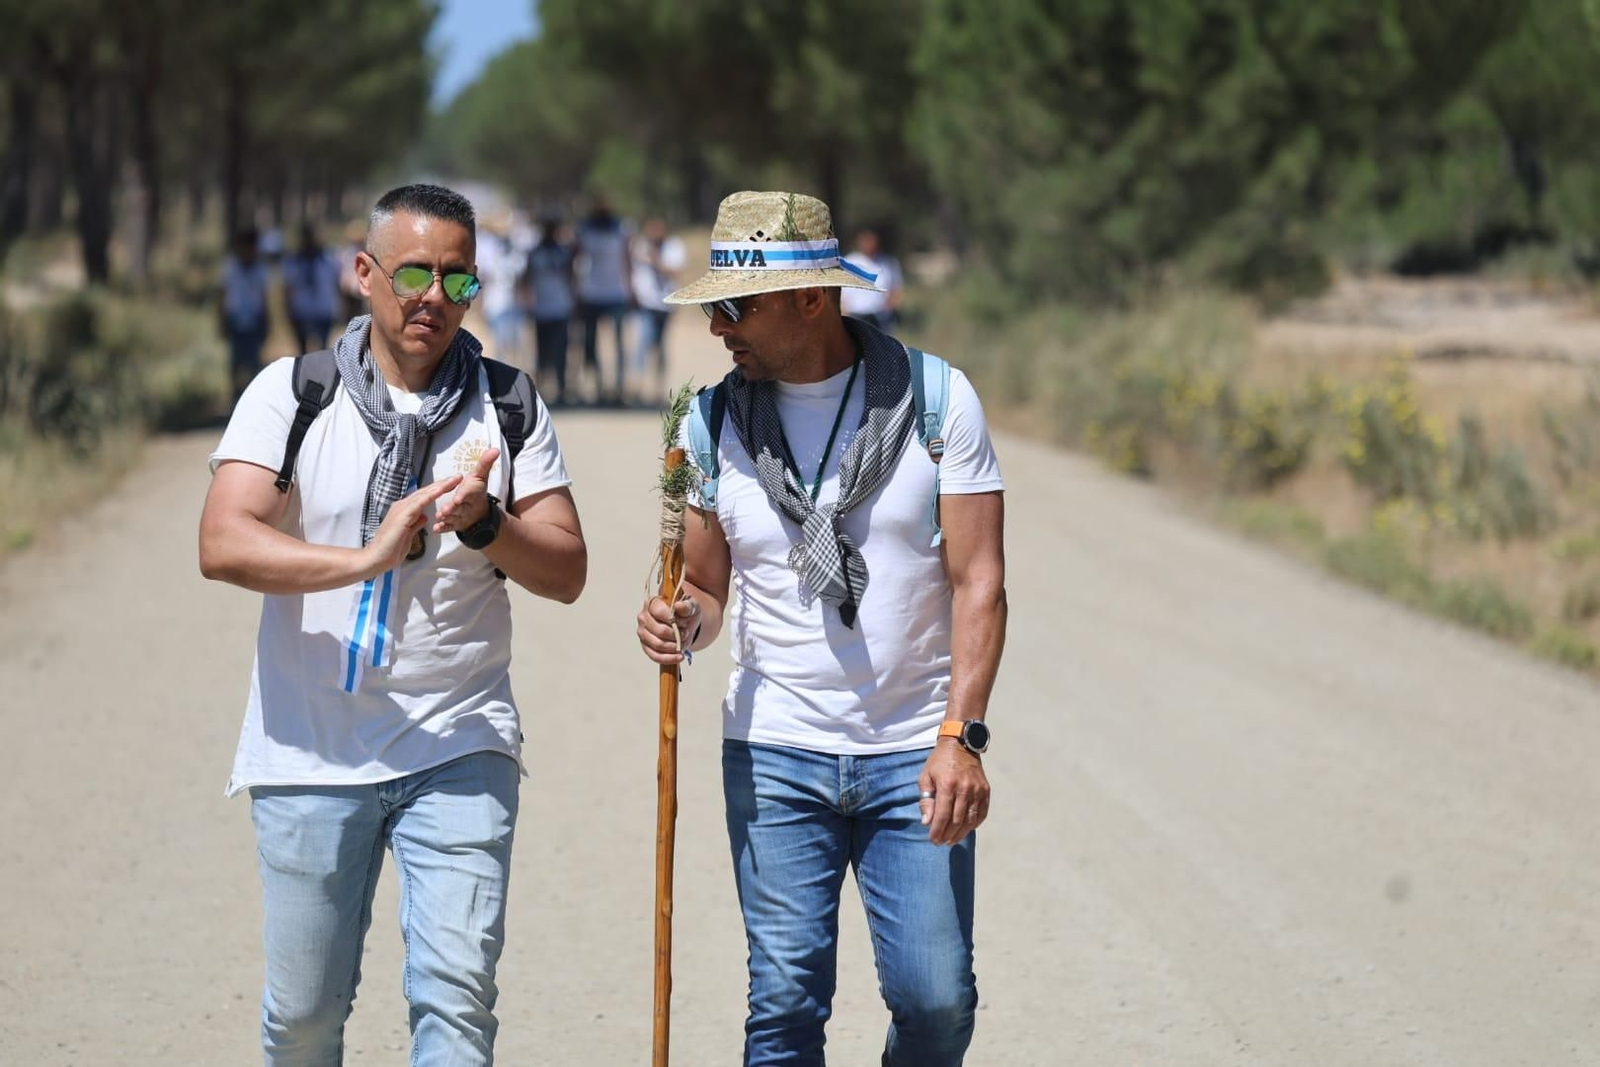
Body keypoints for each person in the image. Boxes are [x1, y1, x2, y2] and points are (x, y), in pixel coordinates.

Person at [199, 183, 588, 1065]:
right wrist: (365, 559)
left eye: (458, 282)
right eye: (414, 273)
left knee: (455, 1006)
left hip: (458, 740)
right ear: (363, 273)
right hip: (310, 753)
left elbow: (567, 569)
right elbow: (222, 540)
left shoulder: (508, 405)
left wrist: (490, 522)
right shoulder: (291, 394)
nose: (433, 299)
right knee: (304, 1019)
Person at [635, 190, 1007, 1066]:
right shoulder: (710, 419)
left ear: (812, 299)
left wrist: (962, 734)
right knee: (785, 1002)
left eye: (737, 307)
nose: (720, 328)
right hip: (774, 748)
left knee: (937, 1001)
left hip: (914, 751)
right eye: (713, 308)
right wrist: (682, 619)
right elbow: (710, 591)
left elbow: (980, 582)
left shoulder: (937, 401)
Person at [574, 195, 633, 405]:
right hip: (591, 292)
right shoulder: (585, 230)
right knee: (590, 343)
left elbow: (627, 260)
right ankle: (598, 387)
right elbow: (577, 259)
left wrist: (631, 289)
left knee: (619, 344)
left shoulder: (621, 229)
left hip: (616, 292)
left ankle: (618, 388)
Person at [629, 216, 686, 403]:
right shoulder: (640, 246)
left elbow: (675, 271)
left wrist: (656, 260)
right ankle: (637, 387)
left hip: (665, 305)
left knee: (660, 347)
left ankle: (658, 387)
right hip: (646, 303)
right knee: (642, 344)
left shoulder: (674, 247)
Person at [524, 217, 577, 406]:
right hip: (542, 309)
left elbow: (572, 277)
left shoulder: (563, 253)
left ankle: (561, 388)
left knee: (561, 352)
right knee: (542, 352)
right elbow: (527, 279)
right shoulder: (534, 253)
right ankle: (542, 389)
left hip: (560, 308)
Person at [220, 226, 272, 407]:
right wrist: (222, 321)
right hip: (235, 320)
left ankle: (251, 399)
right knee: (235, 362)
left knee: (253, 362)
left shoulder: (260, 269)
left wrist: (267, 322)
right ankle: (235, 397)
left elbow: (264, 298)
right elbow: (222, 296)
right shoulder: (230, 267)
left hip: (254, 320)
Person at [283, 222, 343, 354]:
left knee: (323, 350)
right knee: (302, 351)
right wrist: (288, 310)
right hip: (302, 311)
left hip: (323, 311)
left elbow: (335, 284)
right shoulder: (294, 262)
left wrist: (337, 306)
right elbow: (288, 288)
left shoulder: (328, 259)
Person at [477, 218, 526, 370]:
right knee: (499, 343)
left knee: (514, 344)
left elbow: (521, 282)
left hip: (513, 307)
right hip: (495, 305)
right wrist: (481, 303)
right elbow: (483, 280)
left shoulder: (517, 256)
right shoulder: (489, 254)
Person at [839, 227, 904, 332]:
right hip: (855, 315)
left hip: (879, 317)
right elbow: (841, 293)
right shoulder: (849, 261)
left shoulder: (889, 263)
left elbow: (896, 289)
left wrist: (888, 309)